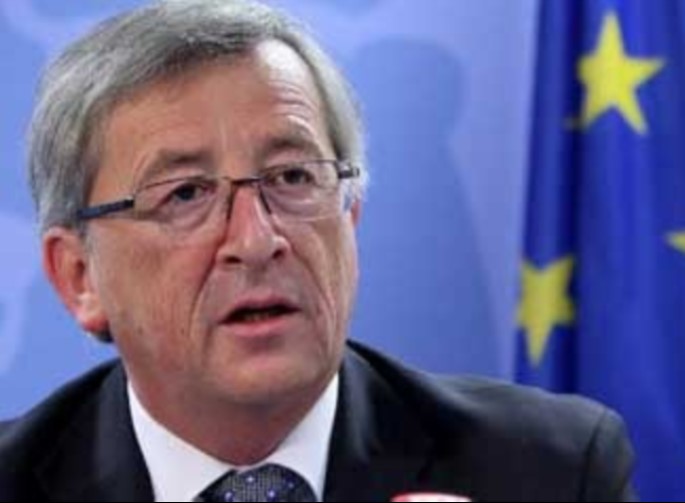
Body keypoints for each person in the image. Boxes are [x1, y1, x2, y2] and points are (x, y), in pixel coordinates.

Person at [0, 0, 635, 501]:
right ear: (79, 276)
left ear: (349, 215)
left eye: (292, 177)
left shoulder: (549, 472)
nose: (256, 241)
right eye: (186, 193)